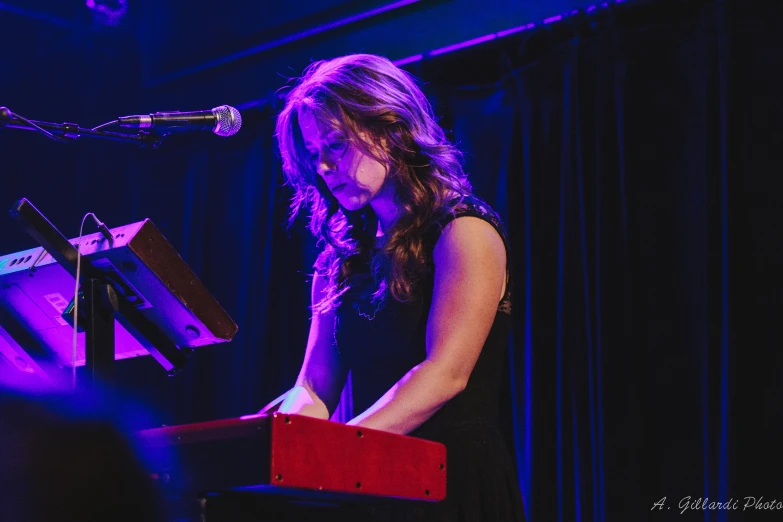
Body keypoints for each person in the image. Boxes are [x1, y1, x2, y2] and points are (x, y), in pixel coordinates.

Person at [272, 53, 526, 521]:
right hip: (375, 481)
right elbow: (313, 385)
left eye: (336, 144)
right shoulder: (340, 261)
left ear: (392, 127)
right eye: (314, 156)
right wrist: (283, 442)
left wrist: (338, 450)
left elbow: (445, 374)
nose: (324, 167)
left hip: (453, 485)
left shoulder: (465, 231)